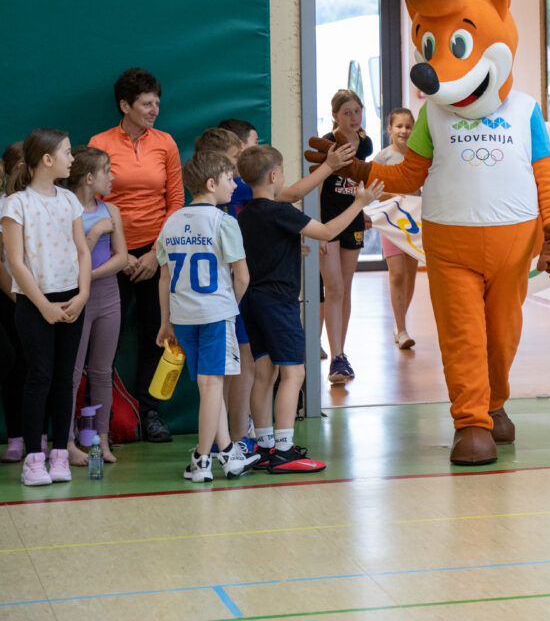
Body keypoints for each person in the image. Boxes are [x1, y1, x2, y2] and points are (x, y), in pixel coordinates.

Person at [239, 146, 381, 474]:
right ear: (274, 176)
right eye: (283, 173)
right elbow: (328, 232)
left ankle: (264, 447)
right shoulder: (280, 211)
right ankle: (284, 451)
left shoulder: (245, 214)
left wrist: (290, 247)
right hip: (279, 302)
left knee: (264, 373)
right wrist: (359, 203)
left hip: (252, 301)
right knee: (294, 373)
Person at [88, 68, 183, 443]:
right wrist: (120, 254)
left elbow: (176, 202)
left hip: (156, 255)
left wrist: (157, 254)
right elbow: (93, 199)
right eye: (146, 103)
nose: (154, 109)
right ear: (125, 105)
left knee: (155, 333)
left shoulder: (166, 143)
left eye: (157, 102)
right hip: (111, 254)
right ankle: (103, 419)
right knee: (103, 339)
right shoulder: (100, 143)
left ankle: (150, 412)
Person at [154, 151, 260, 482]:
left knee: (207, 387)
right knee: (212, 385)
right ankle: (202, 458)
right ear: (212, 184)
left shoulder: (171, 222)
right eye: (230, 179)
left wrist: (166, 321)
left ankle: (228, 453)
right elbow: (242, 277)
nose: (235, 185)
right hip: (215, 313)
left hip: (183, 315)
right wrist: (230, 306)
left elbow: (164, 277)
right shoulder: (224, 221)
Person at [2, 129, 91, 486]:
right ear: (47, 159)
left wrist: (83, 294)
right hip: (33, 302)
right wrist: (43, 306)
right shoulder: (16, 204)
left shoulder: (69, 200)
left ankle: (59, 455)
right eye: (67, 152)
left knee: (64, 378)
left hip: (71, 299)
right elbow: (16, 262)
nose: (73, 159)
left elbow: (82, 251)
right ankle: (34, 459)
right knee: (39, 376)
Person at [64, 147, 126, 466]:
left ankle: (101, 440)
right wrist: (96, 233)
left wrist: (91, 275)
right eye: (107, 171)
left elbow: (121, 256)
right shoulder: (65, 210)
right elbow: (70, 261)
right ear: (89, 178)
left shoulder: (111, 210)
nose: (112, 177)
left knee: (102, 372)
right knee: (72, 373)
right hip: (76, 297)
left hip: (108, 296)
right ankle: (66, 442)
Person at [320, 89, 373, 383]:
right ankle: (335, 356)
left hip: (352, 219)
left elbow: (359, 182)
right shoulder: (327, 144)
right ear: (335, 116)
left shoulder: (365, 143)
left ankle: (340, 353)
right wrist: (316, 228)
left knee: (346, 287)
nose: (354, 118)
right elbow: (317, 186)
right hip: (328, 224)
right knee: (334, 288)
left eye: (357, 111)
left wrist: (362, 211)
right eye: (347, 113)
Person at [373, 108, 421, 350]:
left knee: (410, 275)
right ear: (390, 129)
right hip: (391, 222)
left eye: (408, 126)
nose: (404, 131)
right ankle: (401, 329)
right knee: (398, 273)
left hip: (414, 222)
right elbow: (373, 190)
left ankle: (399, 322)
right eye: (399, 126)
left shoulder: (418, 157)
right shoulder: (382, 158)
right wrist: (394, 196)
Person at [0, 143, 29, 463]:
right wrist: (19, 297)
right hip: (13, 297)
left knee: (38, 368)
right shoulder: (4, 205)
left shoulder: (44, 201)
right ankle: (16, 437)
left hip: (41, 296)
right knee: (14, 365)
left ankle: (41, 438)